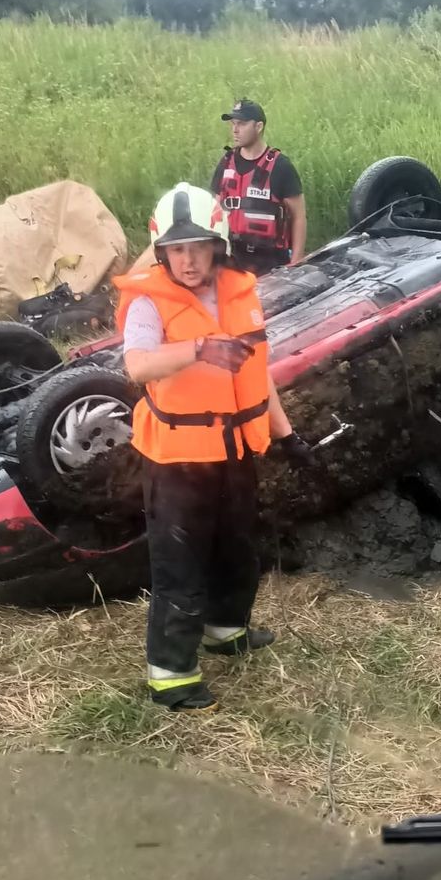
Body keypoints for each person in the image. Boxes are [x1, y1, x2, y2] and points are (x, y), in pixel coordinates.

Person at [113, 183, 315, 714]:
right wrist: (198, 348)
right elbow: (136, 366)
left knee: (236, 549)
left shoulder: (239, 292)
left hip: (235, 451)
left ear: (217, 244)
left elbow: (258, 371)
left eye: (198, 246)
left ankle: (227, 629)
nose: (188, 259)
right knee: (180, 564)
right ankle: (171, 674)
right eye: (177, 249)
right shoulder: (149, 302)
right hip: (177, 459)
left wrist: (287, 434)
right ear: (162, 251)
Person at [212, 99, 307, 276]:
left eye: (241, 123)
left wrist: (296, 262)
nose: (235, 129)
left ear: (259, 126)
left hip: (270, 263)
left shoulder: (280, 166)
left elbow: (299, 217)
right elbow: (214, 210)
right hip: (232, 259)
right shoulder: (226, 163)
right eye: (233, 124)